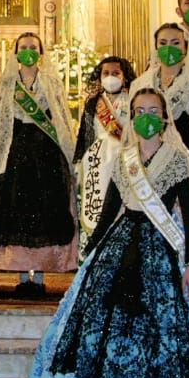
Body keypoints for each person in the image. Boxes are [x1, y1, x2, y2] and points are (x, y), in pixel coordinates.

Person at [29, 87, 189, 378]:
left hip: (162, 251)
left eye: (153, 110)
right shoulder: (124, 159)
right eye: (139, 110)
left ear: (165, 116)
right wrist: (88, 256)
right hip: (121, 244)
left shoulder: (178, 158)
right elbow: (110, 209)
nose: (146, 117)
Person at [0, 33, 78, 293]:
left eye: (34, 47)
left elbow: (61, 117)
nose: (29, 51)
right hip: (16, 150)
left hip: (45, 152)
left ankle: (41, 275)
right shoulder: (8, 82)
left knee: (45, 212)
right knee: (18, 212)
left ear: (41, 52)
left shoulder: (51, 82)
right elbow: (0, 119)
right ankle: (22, 275)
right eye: (24, 47)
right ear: (16, 52)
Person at [132, 24, 189, 188]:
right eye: (163, 43)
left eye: (175, 42)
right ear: (156, 47)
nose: (168, 48)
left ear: (185, 47)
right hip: (151, 161)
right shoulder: (141, 83)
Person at [73, 56, 135, 241]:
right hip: (96, 162)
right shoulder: (93, 103)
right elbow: (85, 134)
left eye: (115, 73)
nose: (110, 77)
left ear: (124, 76)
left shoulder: (132, 100)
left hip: (125, 160)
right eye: (106, 73)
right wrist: (78, 161)